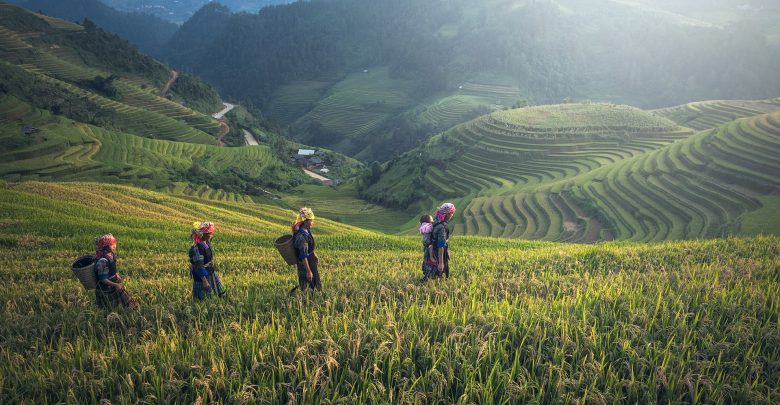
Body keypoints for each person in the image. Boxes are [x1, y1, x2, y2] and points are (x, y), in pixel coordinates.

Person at [94, 234, 139, 310]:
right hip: (105, 287)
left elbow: (112, 269)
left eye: (115, 244)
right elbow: (103, 279)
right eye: (111, 244)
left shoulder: (112, 255)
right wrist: (115, 285)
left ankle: (132, 307)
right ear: (105, 247)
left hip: (112, 282)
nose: (114, 246)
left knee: (122, 297)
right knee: (108, 306)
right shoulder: (103, 261)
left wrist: (116, 275)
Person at [189, 221, 226, 300]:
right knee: (203, 297)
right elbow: (199, 266)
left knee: (221, 292)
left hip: (210, 271)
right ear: (205, 235)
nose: (212, 235)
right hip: (201, 275)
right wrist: (205, 282)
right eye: (210, 234)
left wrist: (196, 231)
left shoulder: (206, 242)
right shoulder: (196, 248)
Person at [292, 207, 321, 292]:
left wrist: (313, 254)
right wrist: (308, 271)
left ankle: (315, 295)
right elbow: (303, 255)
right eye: (311, 220)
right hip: (304, 264)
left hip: (310, 259)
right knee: (306, 283)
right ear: (305, 221)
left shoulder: (307, 230)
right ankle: (304, 301)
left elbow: (309, 246)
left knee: (315, 281)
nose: (313, 222)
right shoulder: (301, 237)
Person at [431, 203, 456, 278]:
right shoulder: (442, 227)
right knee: (439, 275)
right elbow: (441, 245)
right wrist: (441, 263)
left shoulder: (435, 221)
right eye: (452, 213)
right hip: (438, 253)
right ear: (448, 214)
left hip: (431, 252)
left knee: (431, 274)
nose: (452, 215)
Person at [419, 214, 438, 279]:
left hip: (426, 246)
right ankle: (430, 275)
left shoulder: (423, 227)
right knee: (431, 260)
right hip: (429, 245)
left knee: (426, 261)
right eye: (431, 220)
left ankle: (427, 274)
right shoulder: (429, 226)